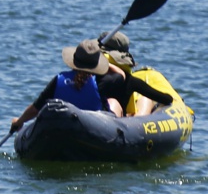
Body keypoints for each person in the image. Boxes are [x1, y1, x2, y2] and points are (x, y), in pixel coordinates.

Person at [12, 39, 173, 130]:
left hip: (62, 128)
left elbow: (35, 108)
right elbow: (122, 76)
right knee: (113, 103)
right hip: (95, 130)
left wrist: (19, 122)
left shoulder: (58, 80)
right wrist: (106, 64)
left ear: (73, 61)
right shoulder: (104, 81)